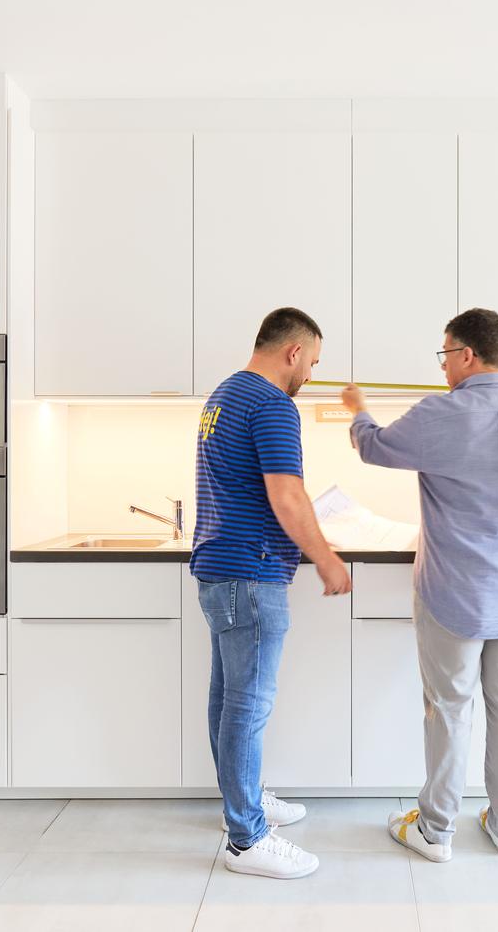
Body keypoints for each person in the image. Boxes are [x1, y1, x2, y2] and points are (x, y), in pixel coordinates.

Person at [341, 307, 498, 863]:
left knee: (450, 707)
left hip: (455, 592)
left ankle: (435, 830)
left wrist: (358, 409)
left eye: (445, 354)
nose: (443, 366)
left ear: (467, 355)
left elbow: (374, 446)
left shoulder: (441, 414)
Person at [192, 306, 353, 880]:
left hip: (220, 569)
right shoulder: (272, 404)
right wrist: (326, 559)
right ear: (294, 351)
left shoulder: (224, 394)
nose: (310, 373)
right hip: (252, 573)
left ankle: (244, 801)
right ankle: (247, 838)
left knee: (228, 698)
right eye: (313, 361)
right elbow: (287, 495)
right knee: (247, 705)